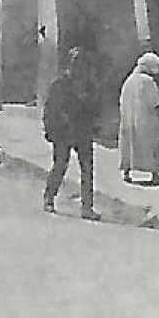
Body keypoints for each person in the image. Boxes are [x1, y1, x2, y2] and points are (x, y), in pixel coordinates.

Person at [42, 47, 100, 220]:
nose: (80, 68)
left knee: (87, 169)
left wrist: (94, 124)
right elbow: (50, 110)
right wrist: (50, 130)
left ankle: (87, 207)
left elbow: (94, 107)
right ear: (70, 64)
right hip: (64, 132)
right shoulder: (60, 84)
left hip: (82, 131)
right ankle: (49, 197)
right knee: (60, 165)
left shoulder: (89, 85)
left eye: (83, 64)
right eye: (76, 63)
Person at [118, 51, 159, 185]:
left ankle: (127, 172)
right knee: (152, 145)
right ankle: (155, 175)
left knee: (129, 143)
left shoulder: (129, 80)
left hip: (129, 118)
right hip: (147, 119)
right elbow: (155, 101)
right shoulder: (148, 81)